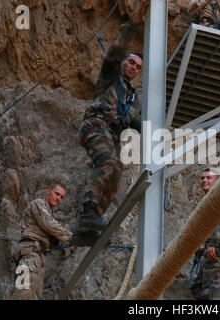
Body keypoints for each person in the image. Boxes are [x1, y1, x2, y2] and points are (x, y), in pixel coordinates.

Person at [75, 0, 151, 243]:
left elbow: (137, 123)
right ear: (123, 63)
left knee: (116, 170)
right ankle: (88, 212)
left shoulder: (132, 97)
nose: (133, 68)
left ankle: (90, 224)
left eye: (138, 66)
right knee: (108, 160)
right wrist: (137, 17)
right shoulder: (111, 75)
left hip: (111, 134)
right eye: (130, 62)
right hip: (97, 124)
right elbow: (119, 47)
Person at [12, 182, 72, 300]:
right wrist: (70, 237)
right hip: (30, 254)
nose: (58, 198)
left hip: (38, 257)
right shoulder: (38, 204)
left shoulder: (49, 213)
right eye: (56, 194)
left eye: (61, 197)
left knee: (35, 296)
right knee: (24, 292)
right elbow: (48, 224)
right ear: (48, 191)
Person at [189, 168, 220, 300]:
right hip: (207, 250)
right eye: (202, 178)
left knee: (212, 290)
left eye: (209, 178)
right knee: (198, 288)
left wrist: (212, 245)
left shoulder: (217, 198)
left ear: (216, 181)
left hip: (215, 251)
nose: (204, 180)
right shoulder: (207, 200)